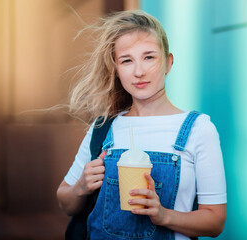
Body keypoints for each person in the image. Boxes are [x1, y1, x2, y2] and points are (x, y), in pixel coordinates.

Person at [56, 10, 227, 240]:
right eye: (127, 60)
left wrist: (164, 215)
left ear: (168, 62)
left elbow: (215, 221)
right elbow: (65, 202)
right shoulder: (102, 129)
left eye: (149, 57)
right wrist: (81, 187)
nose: (139, 71)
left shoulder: (199, 130)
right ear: (116, 70)